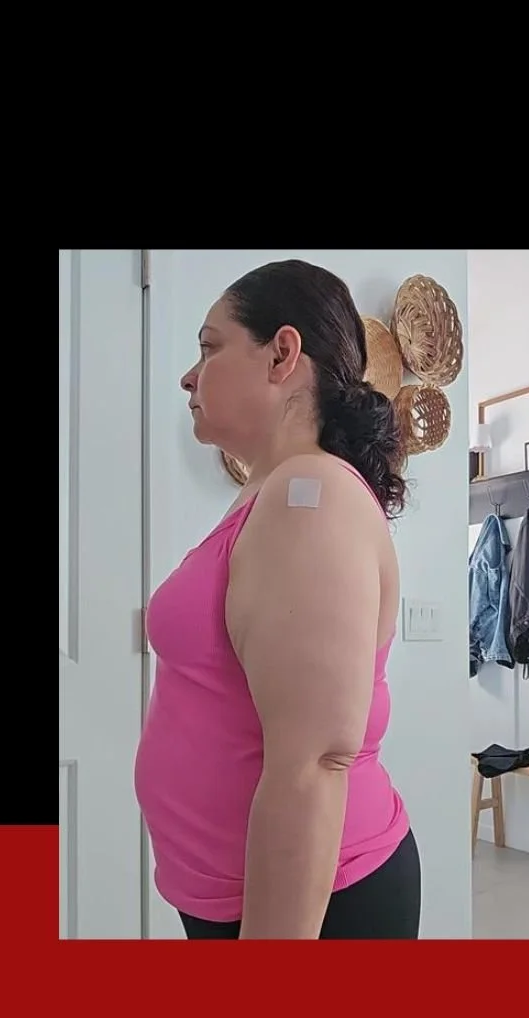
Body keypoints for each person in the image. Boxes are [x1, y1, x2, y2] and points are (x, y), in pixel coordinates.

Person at [133, 259, 421, 940]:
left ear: (282, 354)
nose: (188, 374)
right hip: (246, 896)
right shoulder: (276, 495)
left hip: (321, 905)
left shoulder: (309, 499)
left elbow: (317, 761)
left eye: (209, 347)